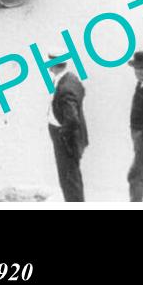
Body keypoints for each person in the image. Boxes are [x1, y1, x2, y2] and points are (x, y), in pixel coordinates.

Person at [46, 51, 89, 202]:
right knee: (71, 178)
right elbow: (81, 92)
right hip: (69, 137)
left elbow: (72, 120)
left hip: (66, 139)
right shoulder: (69, 79)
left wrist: (61, 134)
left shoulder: (65, 87)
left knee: (69, 179)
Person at [128, 51, 143, 202]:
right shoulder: (140, 84)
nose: (139, 72)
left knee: (136, 175)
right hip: (138, 135)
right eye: (137, 68)